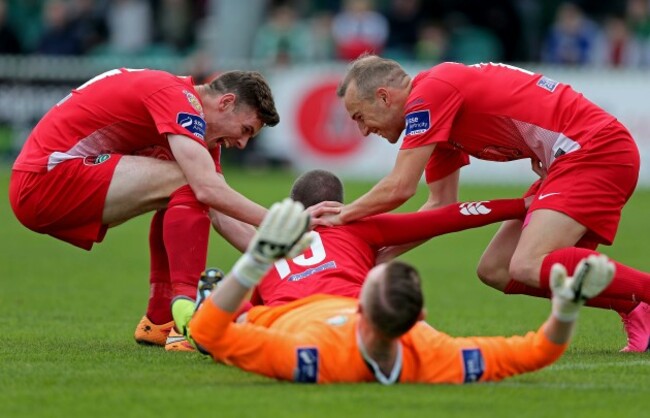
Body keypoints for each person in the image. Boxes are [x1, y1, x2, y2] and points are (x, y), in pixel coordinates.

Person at [320, 54, 650, 352]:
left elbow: (400, 187)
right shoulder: (436, 110)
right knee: (497, 269)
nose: (362, 130)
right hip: (575, 157)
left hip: (594, 150)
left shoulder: (429, 94)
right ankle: (635, 306)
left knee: (527, 263)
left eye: (360, 117)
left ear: (384, 97)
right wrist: (382, 256)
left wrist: (343, 215)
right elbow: (439, 207)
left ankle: (643, 297)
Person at [172, 198, 616, 384]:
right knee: (233, 324)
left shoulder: (311, 357)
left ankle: (222, 293)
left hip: (281, 309)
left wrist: (255, 261)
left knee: (237, 322)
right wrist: (565, 311)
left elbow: (209, 334)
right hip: (295, 307)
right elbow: (539, 350)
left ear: (360, 306)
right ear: (420, 318)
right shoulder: (435, 356)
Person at [8, 67, 280, 351]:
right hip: (44, 178)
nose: (242, 143)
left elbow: (220, 211)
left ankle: (159, 321)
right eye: (245, 129)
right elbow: (206, 188)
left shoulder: (196, 126)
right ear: (225, 102)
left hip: (48, 180)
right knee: (189, 178)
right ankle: (189, 316)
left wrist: (289, 260)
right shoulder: (177, 99)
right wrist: (280, 222)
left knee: (187, 186)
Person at [248, 169, 529, 308]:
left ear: (294, 206)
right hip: (352, 313)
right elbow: (446, 218)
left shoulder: (267, 247)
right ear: (340, 204)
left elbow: (248, 303)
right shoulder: (358, 226)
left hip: (285, 323)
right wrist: (520, 205)